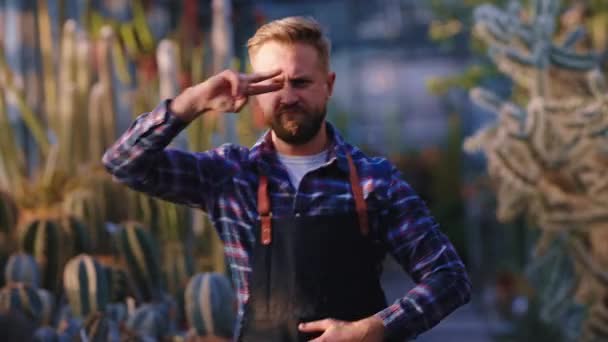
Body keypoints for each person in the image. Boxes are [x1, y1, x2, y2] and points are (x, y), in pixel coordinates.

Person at [103, 16, 471, 342]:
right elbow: (124, 162)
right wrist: (194, 100)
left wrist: (374, 329)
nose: (288, 96)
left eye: (300, 82)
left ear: (328, 84)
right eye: (272, 84)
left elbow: (449, 278)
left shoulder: (377, 182)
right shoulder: (230, 176)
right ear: (254, 92)